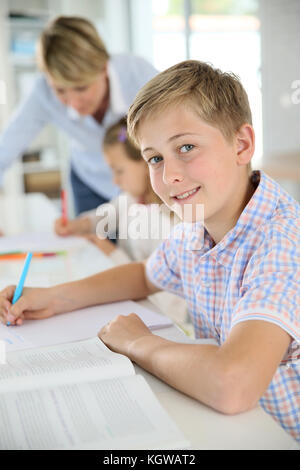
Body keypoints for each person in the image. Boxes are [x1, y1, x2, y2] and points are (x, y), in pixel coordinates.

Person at [0, 60, 299, 443]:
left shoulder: (281, 244)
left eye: (186, 147)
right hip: (225, 426)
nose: (169, 176)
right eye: (155, 158)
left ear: (241, 144)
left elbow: (233, 385)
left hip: (276, 435)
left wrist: (138, 342)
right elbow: (144, 274)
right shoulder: (198, 226)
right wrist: (54, 298)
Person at [0, 16, 157, 215]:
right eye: (60, 90)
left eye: (81, 88)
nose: (73, 103)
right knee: (90, 242)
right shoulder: (42, 93)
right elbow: (4, 149)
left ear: (103, 68)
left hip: (142, 183)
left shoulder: (138, 74)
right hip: (90, 183)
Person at [54, 117, 187, 324]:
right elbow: (103, 217)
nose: (115, 180)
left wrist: (112, 254)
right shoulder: (131, 200)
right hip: (131, 304)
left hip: (164, 319)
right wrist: (78, 225)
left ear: (146, 163)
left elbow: (160, 293)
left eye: (119, 171)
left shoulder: (169, 221)